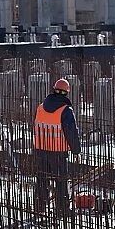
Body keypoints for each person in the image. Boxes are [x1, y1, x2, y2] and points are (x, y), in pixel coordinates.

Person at [33, 78, 82, 217]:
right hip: (58, 151)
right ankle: (62, 209)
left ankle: (39, 206)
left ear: (53, 89)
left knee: (42, 178)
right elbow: (71, 131)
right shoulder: (65, 110)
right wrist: (76, 150)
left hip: (41, 149)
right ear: (67, 93)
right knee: (61, 180)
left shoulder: (40, 107)